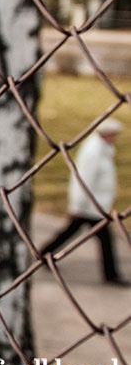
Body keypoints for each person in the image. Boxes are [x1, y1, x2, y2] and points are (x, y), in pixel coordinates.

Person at [41, 118, 128, 286]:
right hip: (89, 206)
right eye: (114, 135)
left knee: (70, 232)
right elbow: (83, 180)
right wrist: (78, 205)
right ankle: (111, 275)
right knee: (103, 239)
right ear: (106, 134)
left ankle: (45, 254)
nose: (115, 138)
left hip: (96, 206)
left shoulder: (103, 149)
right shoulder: (94, 152)